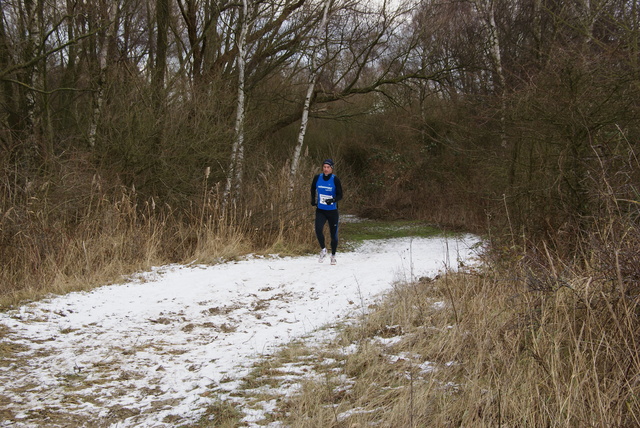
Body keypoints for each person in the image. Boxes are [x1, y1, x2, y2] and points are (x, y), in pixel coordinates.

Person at [311, 159, 343, 265]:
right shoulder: (317, 178)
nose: (326, 169)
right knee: (318, 229)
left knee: (333, 235)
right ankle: (323, 249)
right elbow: (312, 188)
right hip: (321, 210)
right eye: (324, 167)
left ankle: (333, 256)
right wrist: (312, 200)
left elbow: (340, 195)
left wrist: (333, 200)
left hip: (332, 211)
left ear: (331, 169)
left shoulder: (335, 179)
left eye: (328, 167)